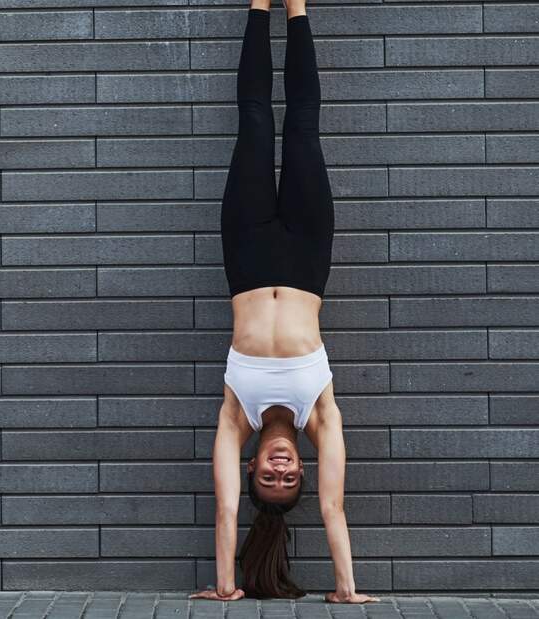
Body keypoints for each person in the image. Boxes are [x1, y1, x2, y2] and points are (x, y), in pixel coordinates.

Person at [188, 0, 380, 604]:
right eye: (289, 476)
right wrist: (346, 590)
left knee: (252, 122)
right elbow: (333, 506)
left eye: (268, 479)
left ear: (251, 469)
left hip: (245, 255)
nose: (279, 471)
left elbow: (224, 509)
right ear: (301, 467)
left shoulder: (235, 417)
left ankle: (257, 7)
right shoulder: (320, 417)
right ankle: (295, 9)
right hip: (305, 253)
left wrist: (226, 585)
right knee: (301, 125)